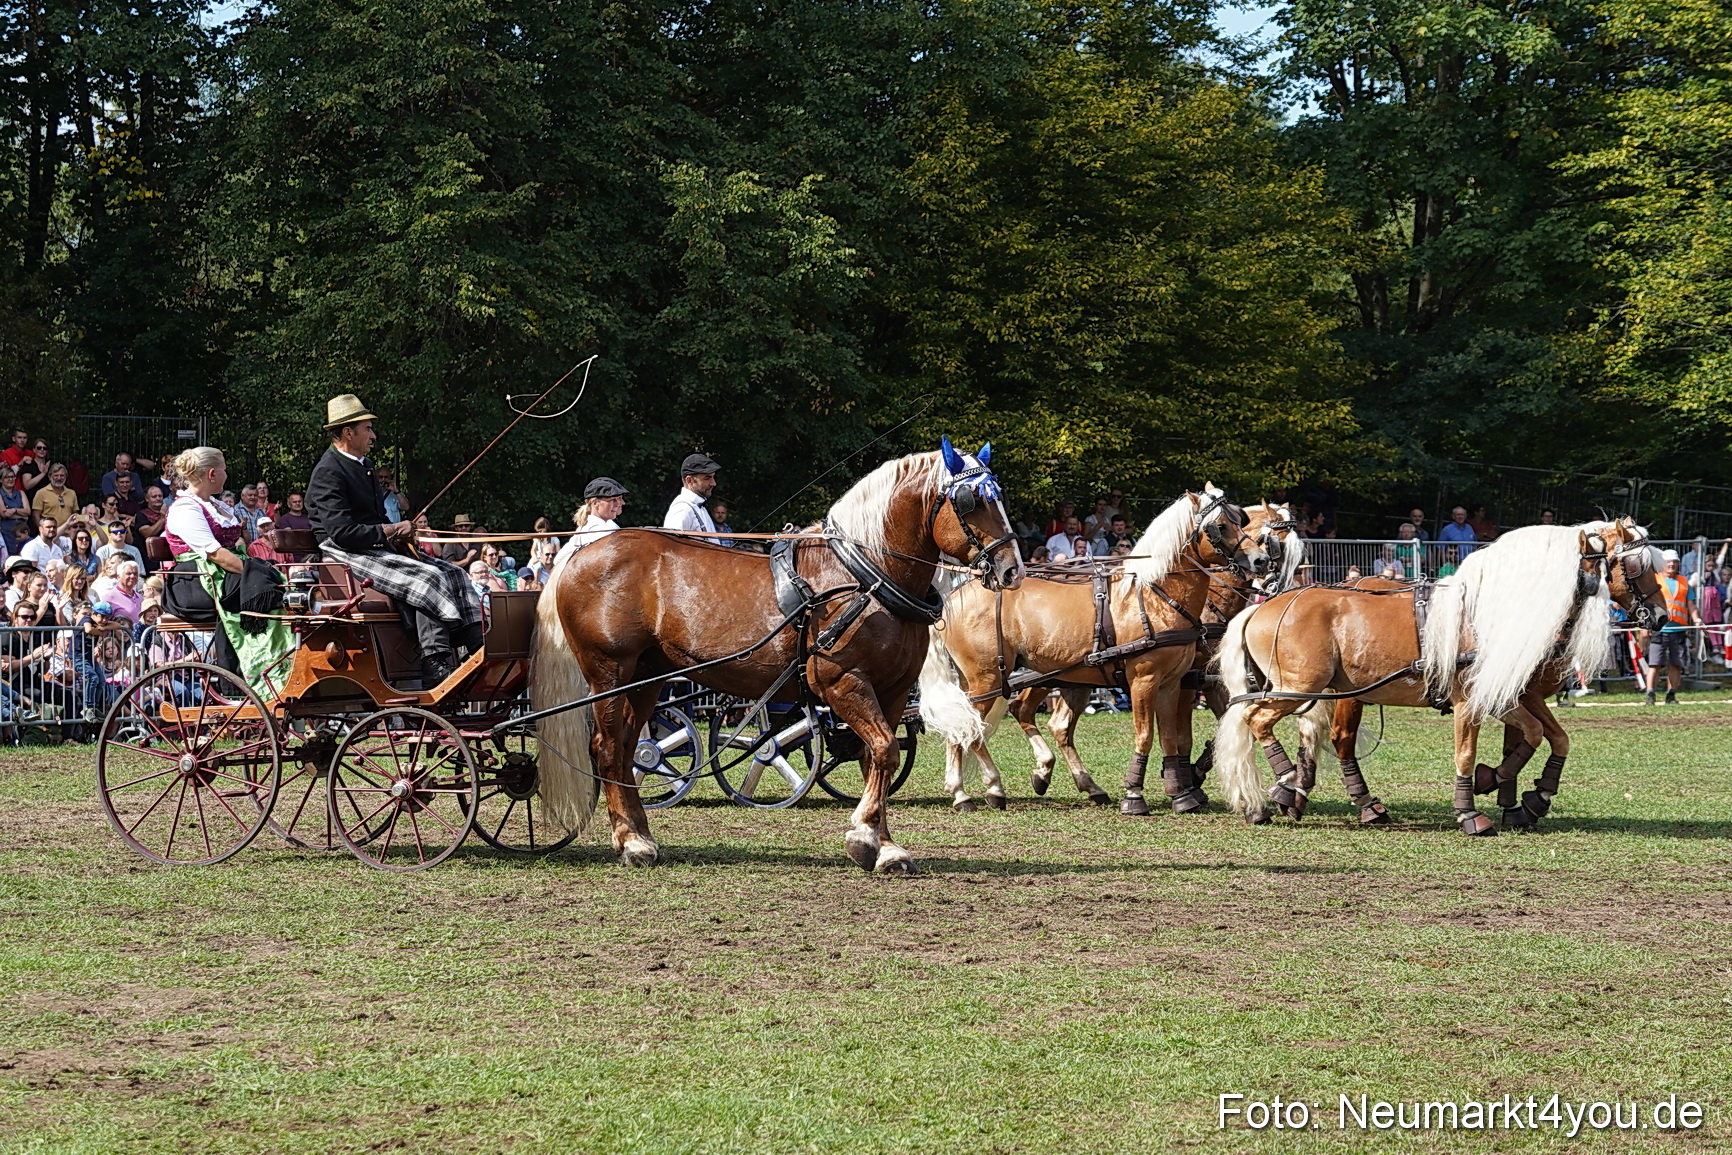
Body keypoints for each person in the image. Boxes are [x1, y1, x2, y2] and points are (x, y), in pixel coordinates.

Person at [305, 395, 483, 686]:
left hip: (372, 547)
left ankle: (475, 642)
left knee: (456, 573)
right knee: (427, 576)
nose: (373, 435)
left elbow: (376, 518)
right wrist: (389, 531)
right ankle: (434, 661)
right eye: (368, 429)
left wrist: (400, 531)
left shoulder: (365, 465)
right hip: (342, 553)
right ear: (348, 432)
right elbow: (341, 533)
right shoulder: (328, 471)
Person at [162, 445, 296, 694]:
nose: (227, 473)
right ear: (212, 474)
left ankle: (283, 666)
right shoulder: (185, 509)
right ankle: (258, 673)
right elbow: (216, 554)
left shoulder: (215, 505)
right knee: (263, 587)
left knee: (269, 582)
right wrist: (258, 571)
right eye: (224, 469)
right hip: (196, 580)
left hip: (222, 573)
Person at [1644, 549, 1698, 706]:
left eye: (1674, 562)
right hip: (1659, 629)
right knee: (1654, 664)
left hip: (1679, 630)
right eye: (1669, 561)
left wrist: (1698, 621)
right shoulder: (1654, 581)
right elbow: (1647, 605)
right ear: (1662, 564)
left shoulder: (1684, 582)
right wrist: (1645, 625)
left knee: (1676, 665)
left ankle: (1671, 695)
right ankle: (1650, 694)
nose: (1672, 564)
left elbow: (1691, 605)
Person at [555, 477, 628, 567]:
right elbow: (558, 561)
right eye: (613, 500)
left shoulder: (607, 525)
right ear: (595, 503)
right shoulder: (596, 529)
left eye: (619, 498)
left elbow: (557, 560)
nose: (620, 503)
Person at [663, 454, 720, 534]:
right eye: (707, 478)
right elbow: (671, 545)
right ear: (689, 480)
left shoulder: (699, 506)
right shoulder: (683, 509)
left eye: (713, 477)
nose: (713, 483)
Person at [30, 463, 77, 529]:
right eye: (56, 475)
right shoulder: (41, 493)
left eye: (62, 475)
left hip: (68, 534)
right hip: (49, 533)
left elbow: (75, 514)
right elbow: (35, 516)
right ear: (50, 477)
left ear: (66, 476)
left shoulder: (72, 493)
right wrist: (42, 531)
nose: (59, 478)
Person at [0, 467, 29, 550]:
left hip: (23, 533)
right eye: (7, 477)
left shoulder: (21, 493)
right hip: (7, 534)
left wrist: (14, 510)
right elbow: (4, 514)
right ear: (1, 480)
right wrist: (22, 516)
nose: (11, 479)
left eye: (12, 476)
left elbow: (28, 511)